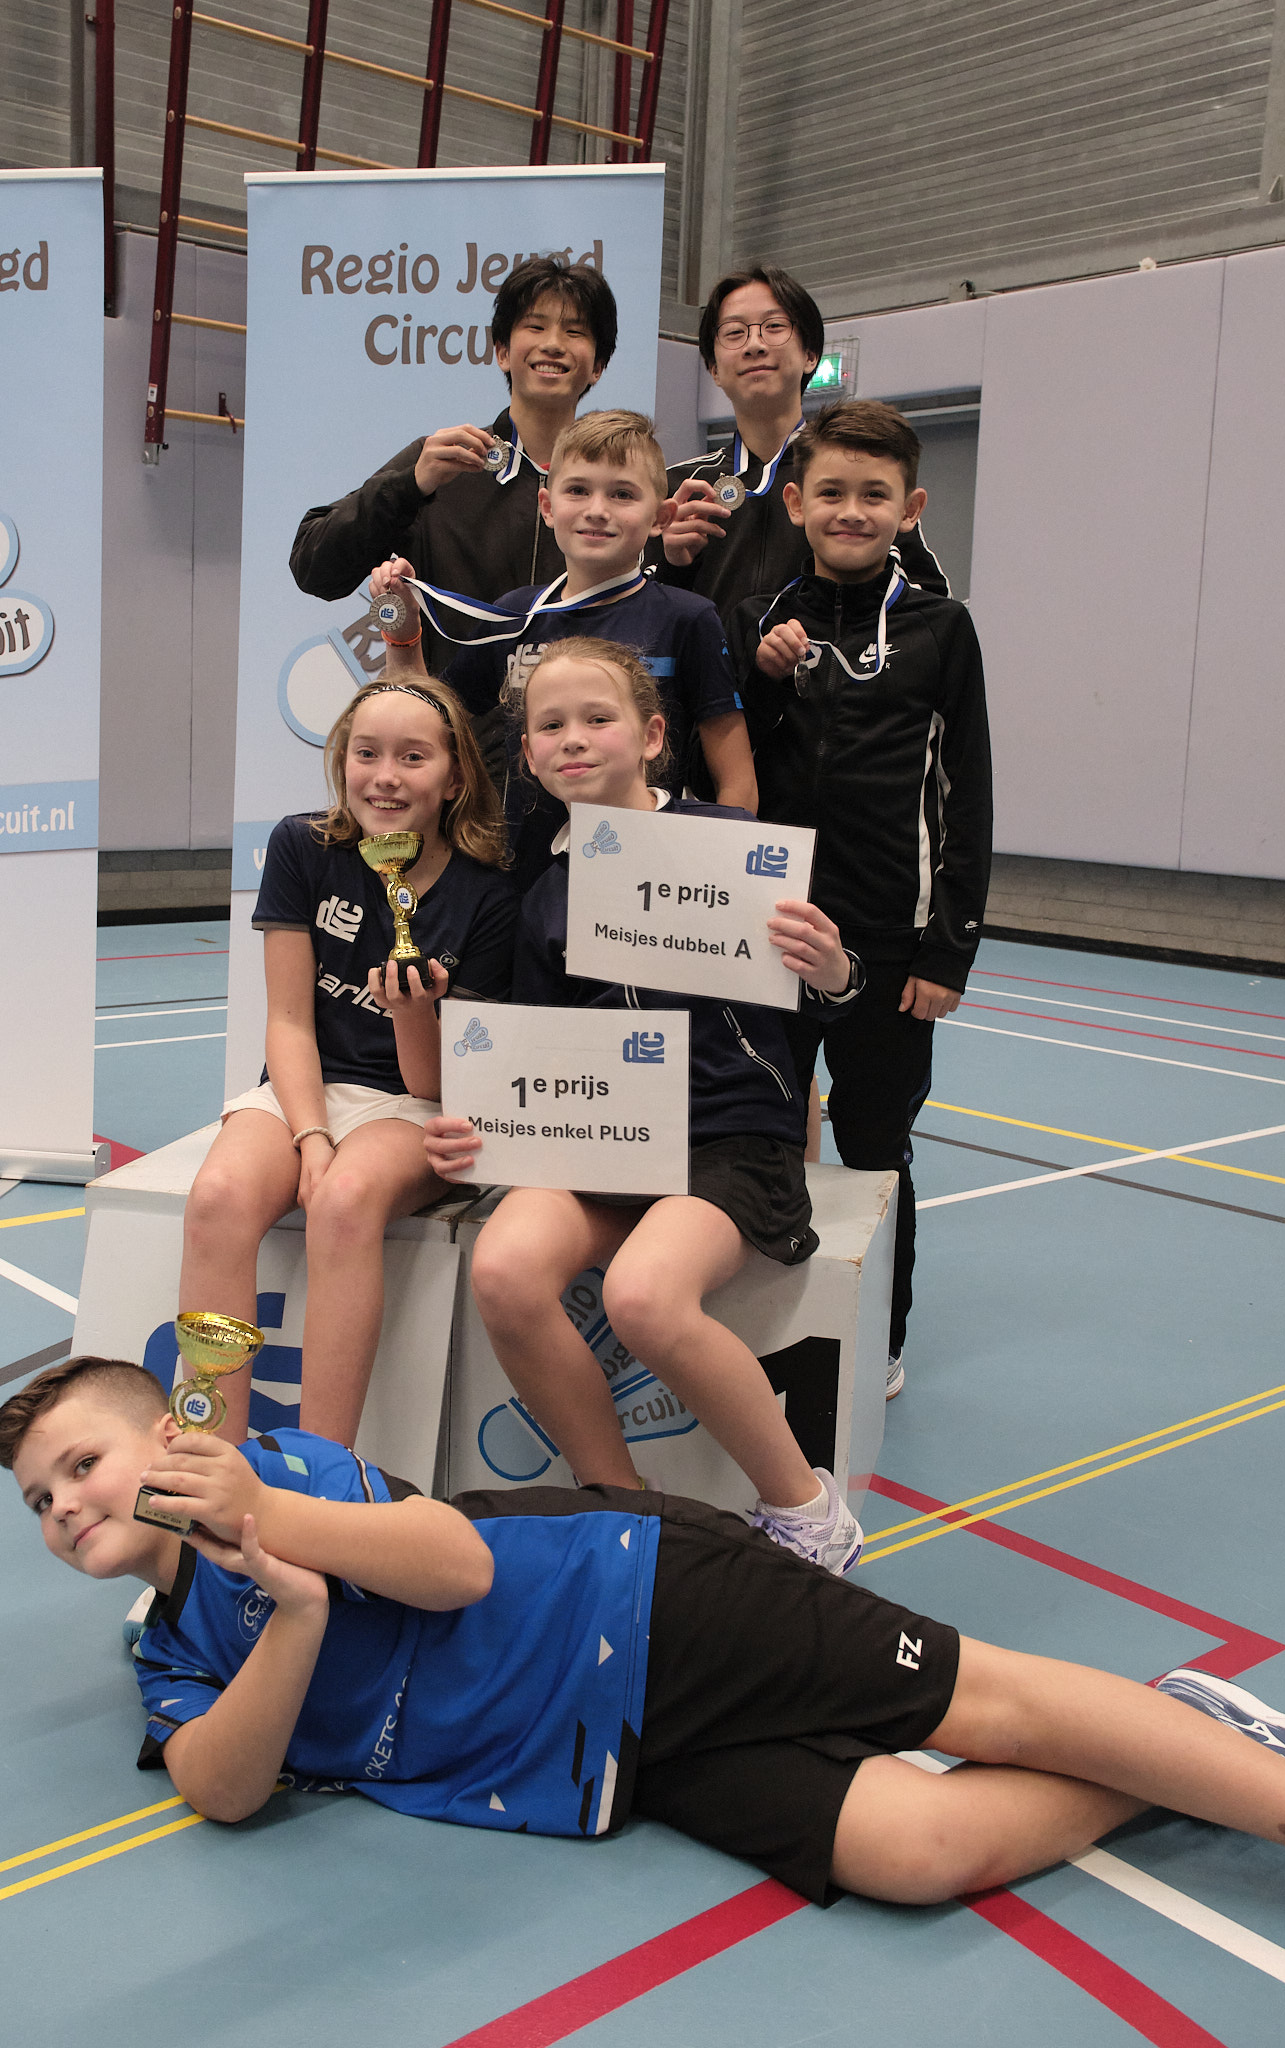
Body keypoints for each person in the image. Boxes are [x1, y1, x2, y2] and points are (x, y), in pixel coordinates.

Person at [0, 1355, 1285, 1911]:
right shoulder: (169, 1654)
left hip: (643, 1594)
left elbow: (455, 1565)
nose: (63, 1506)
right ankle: (1178, 1734)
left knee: (986, 1704)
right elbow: (225, 1789)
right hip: (604, 1758)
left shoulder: (283, 1468)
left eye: (80, 1464)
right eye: (40, 1501)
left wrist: (270, 1523)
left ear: (169, 1432)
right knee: (920, 1852)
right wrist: (297, 1610)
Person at [423, 637, 867, 1573]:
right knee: (504, 1267)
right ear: (527, 753)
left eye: (598, 718)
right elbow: (537, 1050)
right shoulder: (541, 891)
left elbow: (826, 996)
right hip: (603, 1145)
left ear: (653, 736)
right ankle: (623, 1508)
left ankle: (807, 1512)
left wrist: (833, 971)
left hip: (727, 1137)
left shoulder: (729, 851)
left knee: (642, 1296)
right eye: (551, 726)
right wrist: (486, 1122)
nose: (574, 739)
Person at [728, 399, 993, 1399]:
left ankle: (878, 1334)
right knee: (759, 1138)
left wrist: (948, 951)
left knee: (878, 1149)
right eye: (832, 491)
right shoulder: (758, 621)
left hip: (887, 946)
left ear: (909, 508)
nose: (851, 510)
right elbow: (725, 768)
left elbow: (968, 793)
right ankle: (764, 1319)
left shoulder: (942, 630)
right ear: (796, 501)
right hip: (762, 934)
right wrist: (761, 683)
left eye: (874, 494)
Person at [177, 676, 518, 1448]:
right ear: (342, 763)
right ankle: (208, 1453)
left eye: (413, 757)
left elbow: (437, 1084)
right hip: (307, 1088)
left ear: (455, 778)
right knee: (218, 1197)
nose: (385, 777)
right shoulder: (302, 847)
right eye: (367, 754)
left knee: (344, 1201)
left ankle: (320, 1469)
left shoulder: (489, 895)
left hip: (415, 1105)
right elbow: (289, 1021)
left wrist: (413, 1012)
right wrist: (311, 1136)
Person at [372, 409, 757, 891]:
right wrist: (403, 632)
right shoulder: (515, 615)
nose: (597, 509)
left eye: (622, 494)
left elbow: (736, 781)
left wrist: (710, 888)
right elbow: (421, 723)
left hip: (645, 886)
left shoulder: (687, 617)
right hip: (524, 884)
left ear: (660, 517)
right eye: (577, 490)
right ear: (547, 506)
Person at [289, 256, 618, 677]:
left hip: (574, 716)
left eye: (574, 331)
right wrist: (410, 486)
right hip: (450, 716)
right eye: (535, 327)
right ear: (502, 352)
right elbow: (314, 569)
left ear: (598, 366)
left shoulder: (616, 489)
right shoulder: (442, 463)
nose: (553, 344)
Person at [652, 265, 949, 629]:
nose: (755, 345)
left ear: (810, 354)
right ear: (713, 368)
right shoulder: (678, 489)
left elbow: (931, 607)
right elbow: (639, 624)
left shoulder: (858, 478)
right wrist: (673, 566)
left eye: (774, 326)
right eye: (734, 333)